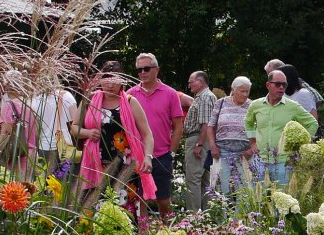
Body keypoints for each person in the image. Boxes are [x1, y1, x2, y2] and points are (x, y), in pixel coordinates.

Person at [73, 62, 155, 211]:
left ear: (122, 81)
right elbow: (74, 128)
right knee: (94, 208)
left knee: (124, 210)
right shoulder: (89, 99)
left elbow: (147, 133)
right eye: (106, 79)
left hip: (125, 166)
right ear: (100, 80)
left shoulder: (130, 102)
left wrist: (148, 157)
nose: (110, 84)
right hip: (95, 165)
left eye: (115, 80)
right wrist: (87, 133)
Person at [128, 53, 184, 219]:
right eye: (139, 70)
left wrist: (171, 153)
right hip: (136, 156)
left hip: (161, 155)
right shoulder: (130, 95)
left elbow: (178, 127)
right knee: (138, 200)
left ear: (157, 70)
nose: (142, 73)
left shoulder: (170, 93)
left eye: (146, 68)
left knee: (163, 201)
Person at [245, 70, 317, 186]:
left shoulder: (293, 106)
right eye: (278, 84)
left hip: (283, 162)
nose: (281, 87)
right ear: (268, 85)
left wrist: (302, 144)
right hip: (260, 161)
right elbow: (248, 122)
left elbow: (312, 123)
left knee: (282, 199)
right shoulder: (255, 105)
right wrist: (252, 142)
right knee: (257, 200)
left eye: (284, 84)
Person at [204, 76, 254, 197]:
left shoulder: (253, 106)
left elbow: (259, 130)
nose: (245, 94)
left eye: (247, 91)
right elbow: (210, 126)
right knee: (222, 189)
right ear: (233, 89)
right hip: (222, 151)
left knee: (244, 190)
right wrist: (212, 146)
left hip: (244, 154)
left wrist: (252, 149)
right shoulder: (221, 103)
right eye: (242, 91)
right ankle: (223, 215)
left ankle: (241, 216)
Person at [180, 71, 217, 211]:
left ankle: (193, 217)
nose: (189, 85)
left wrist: (199, 144)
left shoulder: (205, 97)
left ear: (201, 82)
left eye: (191, 82)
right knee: (204, 180)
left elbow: (206, 123)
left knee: (193, 179)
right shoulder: (203, 97)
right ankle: (208, 216)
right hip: (202, 139)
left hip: (198, 138)